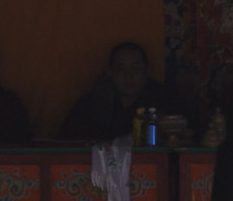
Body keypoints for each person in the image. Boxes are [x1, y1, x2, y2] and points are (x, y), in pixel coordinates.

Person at [57, 42, 185, 143]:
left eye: (135, 68)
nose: (128, 76)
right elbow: (68, 142)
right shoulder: (90, 103)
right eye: (120, 68)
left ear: (147, 71)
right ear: (110, 72)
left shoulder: (164, 99)